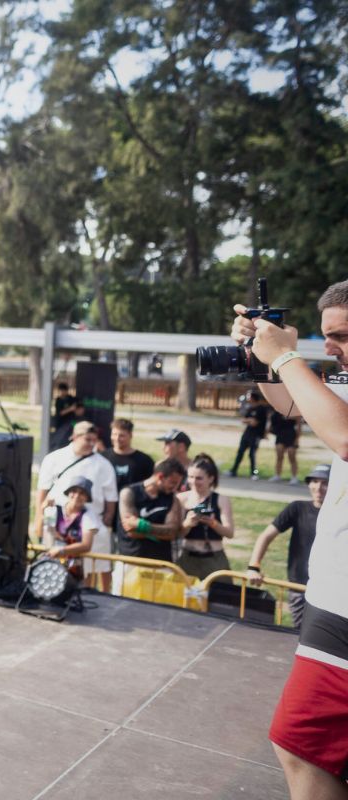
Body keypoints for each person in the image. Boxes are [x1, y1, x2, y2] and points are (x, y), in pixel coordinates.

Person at [228, 279, 348, 795]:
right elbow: (294, 406)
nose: (332, 348)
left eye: (342, 334)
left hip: (344, 610)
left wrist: (285, 355)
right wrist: (260, 356)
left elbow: (344, 436)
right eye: (327, 336)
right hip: (334, 601)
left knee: (299, 744)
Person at [33, 421, 118, 591]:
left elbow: (111, 497)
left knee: (91, 567)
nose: (91, 444)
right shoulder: (54, 458)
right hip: (57, 522)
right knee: (54, 564)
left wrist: (106, 520)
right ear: (75, 437)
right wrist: (39, 521)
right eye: (87, 439)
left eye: (94, 440)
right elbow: (42, 491)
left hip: (90, 523)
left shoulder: (103, 464)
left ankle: (90, 596)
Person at [247, 464, 329, 628]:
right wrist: (253, 566)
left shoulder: (341, 515)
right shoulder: (297, 508)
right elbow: (266, 535)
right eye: (314, 481)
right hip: (299, 588)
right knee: (300, 635)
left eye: (325, 482)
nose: (318, 488)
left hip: (329, 590)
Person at [174, 455, 235, 580]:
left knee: (220, 596)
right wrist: (187, 523)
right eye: (190, 477)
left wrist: (213, 523)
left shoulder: (221, 499)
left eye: (199, 478)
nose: (194, 482)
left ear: (211, 479)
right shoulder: (181, 499)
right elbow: (177, 534)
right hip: (187, 557)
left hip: (214, 558)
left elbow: (229, 533)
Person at [116, 458, 185, 563]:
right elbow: (131, 530)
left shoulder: (172, 499)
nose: (175, 488)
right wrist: (161, 533)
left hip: (161, 562)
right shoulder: (129, 493)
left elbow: (172, 532)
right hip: (131, 560)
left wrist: (142, 525)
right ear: (160, 477)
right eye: (173, 483)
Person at [39, 477, 99, 581]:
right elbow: (44, 533)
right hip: (51, 565)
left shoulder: (88, 515)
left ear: (87, 497)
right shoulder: (55, 510)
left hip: (74, 570)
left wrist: (62, 550)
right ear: (68, 493)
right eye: (74, 491)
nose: (77, 496)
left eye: (82, 493)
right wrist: (43, 510)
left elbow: (86, 545)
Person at [101, 418, 156, 492]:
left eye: (122, 435)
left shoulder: (144, 460)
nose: (117, 438)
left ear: (130, 435)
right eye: (114, 434)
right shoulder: (103, 457)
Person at [227, 390, 269, 479]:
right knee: (240, 452)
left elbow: (255, 423)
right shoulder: (250, 408)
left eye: (249, 396)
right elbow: (243, 420)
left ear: (253, 398)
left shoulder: (261, 409)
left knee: (252, 454)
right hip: (247, 433)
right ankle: (233, 470)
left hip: (256, 435)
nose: (247, 398)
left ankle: (254, 473)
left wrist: (249, 420)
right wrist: (250, 420)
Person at [269, 410, 302, 484]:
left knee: (292, 456)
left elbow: (299, 426)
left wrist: (297, 439)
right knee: (279, 456)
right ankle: (277, 475)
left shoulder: (295, 411)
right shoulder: (278, 410)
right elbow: (272, 423)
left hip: (291, 435)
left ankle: (294, 477)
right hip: (280, 435)